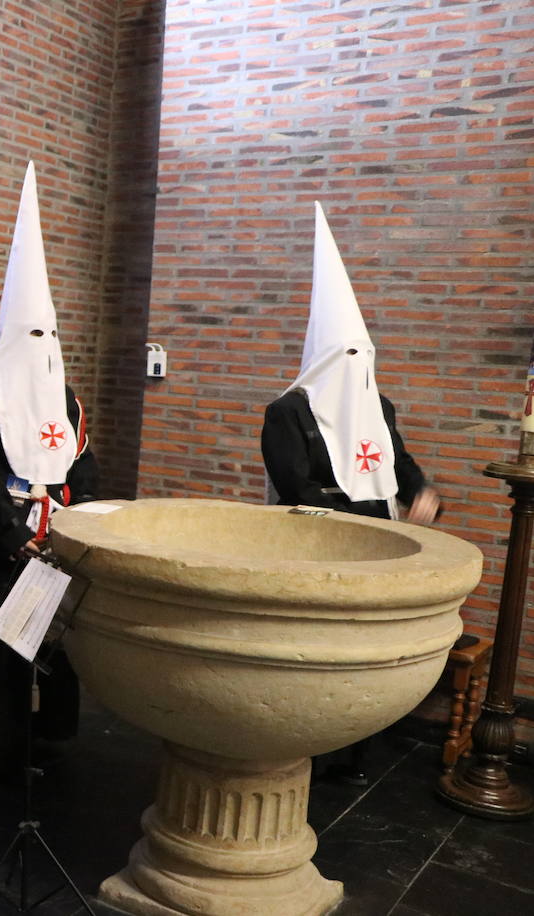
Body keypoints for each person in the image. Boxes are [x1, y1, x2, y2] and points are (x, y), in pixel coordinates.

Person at [261, 202, 440, 785]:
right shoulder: (287, 411)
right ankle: (299, 747)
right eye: (349, 358)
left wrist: (419, 491)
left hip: (379, 543)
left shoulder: (377, 405)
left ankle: (358, 752)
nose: (359, 369)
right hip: (315, 544)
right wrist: (361, 509)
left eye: (366, 358)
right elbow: (296, 487)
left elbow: (398, 459)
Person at [0, 163, 99, 780]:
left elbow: (84, 464)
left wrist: (72, 521)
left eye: (52, 333)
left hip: (55, 542)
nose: (43, 342)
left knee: (50, 649)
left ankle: (44, 739)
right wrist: (18, 537)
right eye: (32, 332)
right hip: (6, 547)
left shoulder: (65, 398)